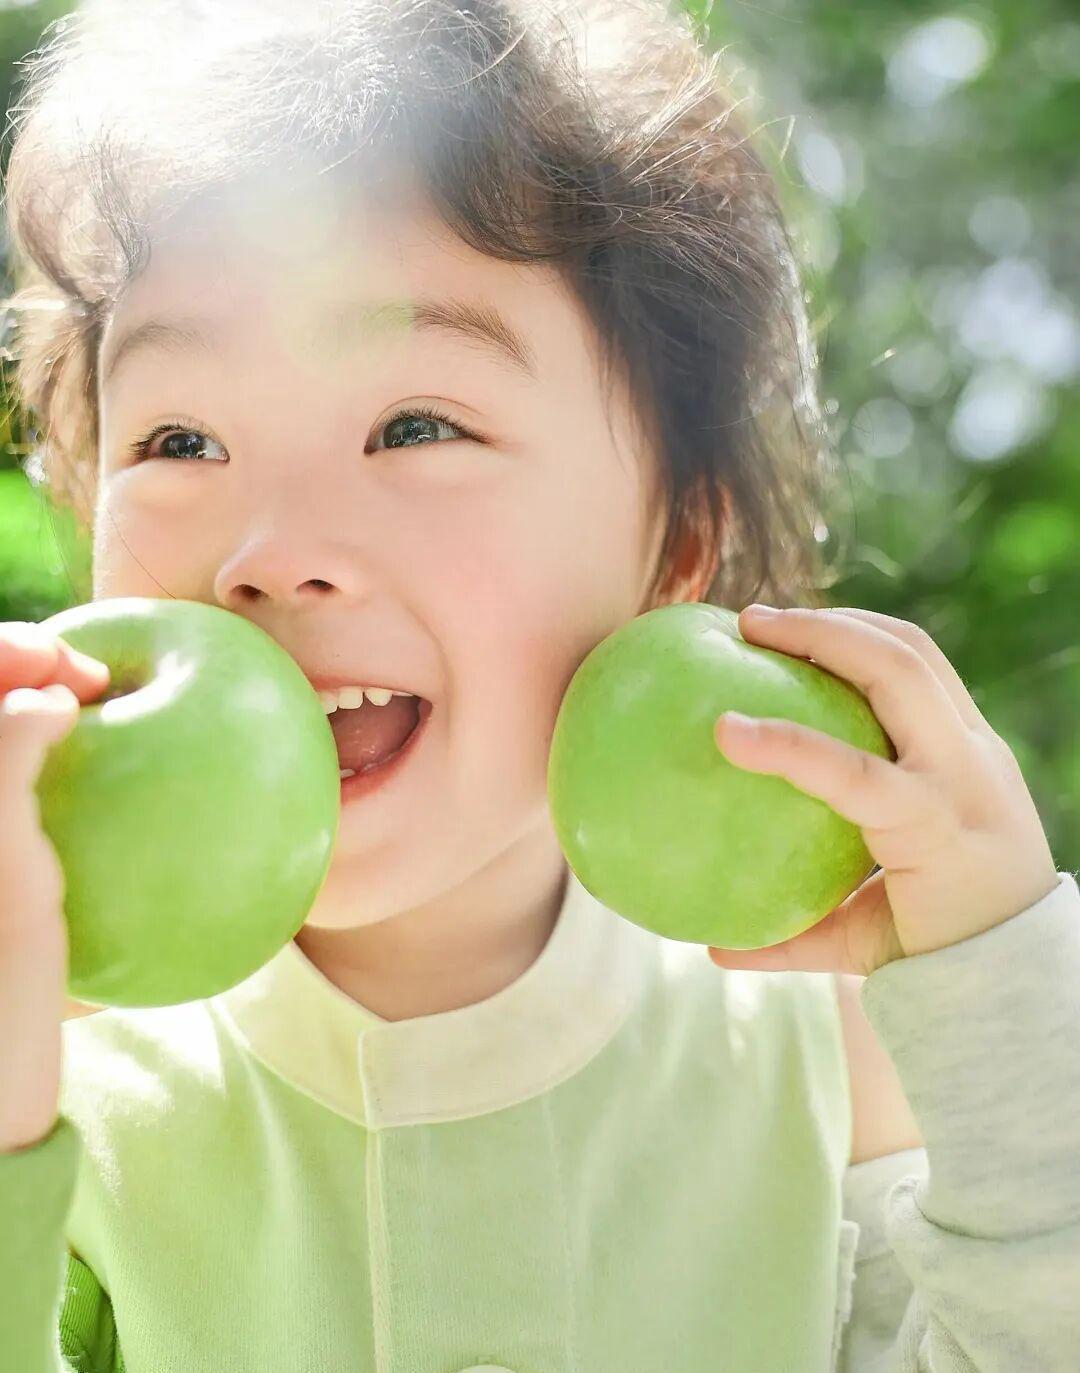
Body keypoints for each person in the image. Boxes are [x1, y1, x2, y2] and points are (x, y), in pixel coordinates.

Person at [1, 1, 1077, 1369]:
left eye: (416, 424)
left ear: (674, 545)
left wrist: (1007, 988)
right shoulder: (57, 1068)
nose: (273, 556)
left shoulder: (833, 1052)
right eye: (182, 436)